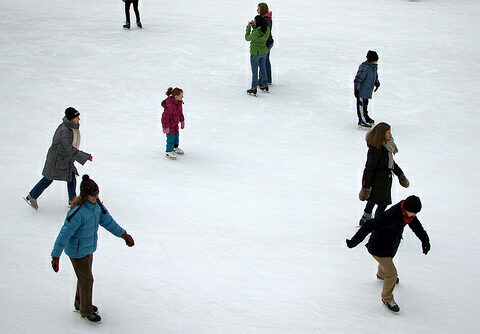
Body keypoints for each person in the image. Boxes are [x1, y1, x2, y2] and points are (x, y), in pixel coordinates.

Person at [51, 175, 135, 322]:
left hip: (88, 249)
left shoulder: (97, 207)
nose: (95, 197)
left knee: (84, 278)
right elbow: (63, 235)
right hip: (77, 252)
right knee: (87, 280)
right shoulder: (77, 214)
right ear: (85, 195)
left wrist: (124, 235)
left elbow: (108, 222)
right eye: (92, 195)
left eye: (97, 193)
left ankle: (80, 303)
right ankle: (86, 310)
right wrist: (55, 256)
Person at [346, 195, 430, 313]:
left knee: (386, 264)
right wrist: (354, 241)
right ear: (406, 209)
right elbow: (369, 225)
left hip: (390, 245)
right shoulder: (390, 215)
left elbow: (417, 227)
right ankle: (387, 298)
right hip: (379, 247)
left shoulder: (407, 214)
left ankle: (381, 274)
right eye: (413, 212)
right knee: (392, 274)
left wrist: (425, 240)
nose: (414, 215)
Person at [25, 107, 92, 210]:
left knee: (70, 177)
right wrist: (85, 157)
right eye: (77, 116)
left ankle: (72, 201)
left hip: (63, 159)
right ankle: (32, 196)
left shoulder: (70, 127)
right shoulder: (65, 131)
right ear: (71, 118)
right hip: (57, 160)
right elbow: (69, 148)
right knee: (48, 178)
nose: (79, 118)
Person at [358, 122, 410, 226]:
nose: (390, 135)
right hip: (379, 182)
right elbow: (369, 169)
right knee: (382, 204)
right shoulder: (375, 150)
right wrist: (366, 187)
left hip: (385, 181)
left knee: (373, 199)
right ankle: (376, 224)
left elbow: (391, 163)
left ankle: (366, 218)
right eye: (388, 133)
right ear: (381, 134)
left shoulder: (387, 146)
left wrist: (400, 175)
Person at [354, 50, 380, 128]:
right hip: (361, 91)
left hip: (367, 91)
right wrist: (357, 90)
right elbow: (358, 79)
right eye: (375, 60)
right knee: (361, 106)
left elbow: (375, 76)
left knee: (365, 104)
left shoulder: (373, 67)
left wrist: (377, 82)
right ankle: (362, 120)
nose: (376, 61)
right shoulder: (365, 68)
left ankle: (365, 117)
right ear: (371, 60)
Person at [245, 15, 270, 96]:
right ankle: (264, 84)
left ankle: (253, 88)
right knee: (263, 68)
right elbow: (258, 30)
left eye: (255, 21)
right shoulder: (266, 29)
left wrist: (248, 27)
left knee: (254, 71)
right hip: (264, 51)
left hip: (255, 53)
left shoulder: (257, 32)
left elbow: (247, 38)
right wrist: (253, 25)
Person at [161, 87, 185, 160]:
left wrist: (182, 120)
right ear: (176, 96)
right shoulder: (170, 105)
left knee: (176, 136)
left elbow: (180, 112)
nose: (182, 96)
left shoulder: (179, 103)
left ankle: (175, 147)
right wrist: (165, 127)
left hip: (175, 123)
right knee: (170, 138)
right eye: (181, 95)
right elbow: (164, 117)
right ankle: (169, 151)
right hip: (169, 125)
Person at [257, 3, 274, 85]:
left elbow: (263, 31)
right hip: (269, 42)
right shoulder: (266, 18)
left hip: (266, 43)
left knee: (262, 61)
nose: (257, 11)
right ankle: (268, 79)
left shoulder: (266, 20)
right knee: (266, 60)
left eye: (258, 9)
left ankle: (262, 80)